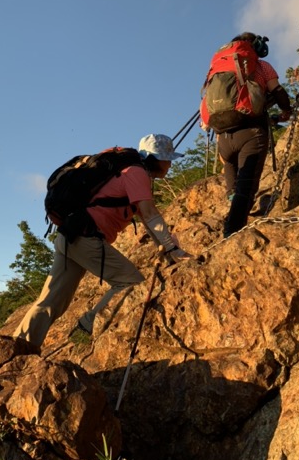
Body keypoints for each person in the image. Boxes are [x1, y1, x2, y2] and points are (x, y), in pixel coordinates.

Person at [14, 133, 192, 350]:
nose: (170, 164)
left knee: (50, 302)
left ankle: (18, 346)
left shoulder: (124, 171)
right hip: (86, 237)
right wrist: (172, 249)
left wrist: (166, 250)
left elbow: (144, 218)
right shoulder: (136, 172)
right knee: (130, 281)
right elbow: (149, 213)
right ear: (157, 158)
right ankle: (88, 324)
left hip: (71, 235)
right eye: (168, 159)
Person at [217, 32, 293, 238]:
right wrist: (286, 111)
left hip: (224, 136)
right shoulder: (261, 66)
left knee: (232, 173)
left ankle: (233, 202)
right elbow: (276, 90)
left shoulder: (221, 70)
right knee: (247, 186)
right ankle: (232, 232)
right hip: (251, 132)